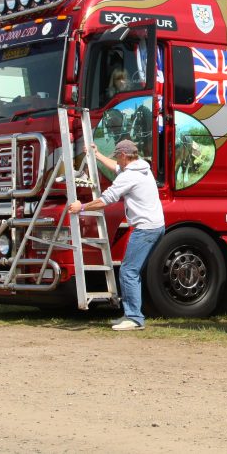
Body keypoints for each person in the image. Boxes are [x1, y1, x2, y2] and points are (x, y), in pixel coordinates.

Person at [68, 139, 164, 331]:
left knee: (128, 271)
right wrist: (97, 155)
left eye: (117, 158)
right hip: (155, 226)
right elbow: (116, 169)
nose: (117, 162)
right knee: (132, 271)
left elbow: (106, 199)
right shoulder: (141, 167)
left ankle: (134, 318)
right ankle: (131, 314)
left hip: (145, 228)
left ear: (123, 155)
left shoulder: (129, 176)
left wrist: (81, 207)